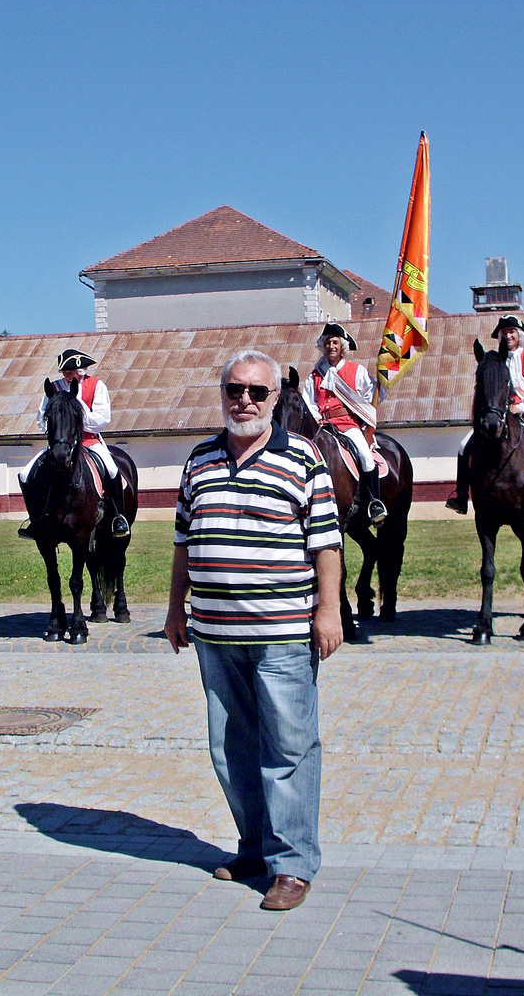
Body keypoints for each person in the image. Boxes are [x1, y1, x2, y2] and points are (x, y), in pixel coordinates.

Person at [164, 349, 343, 912]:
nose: (244, 400)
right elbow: (182, 542)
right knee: (230, 748)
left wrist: (329, 611)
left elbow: (327, 545)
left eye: (256, 392)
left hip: (283, 631)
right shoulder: (198, 461)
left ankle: (292, 865)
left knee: (288, 747)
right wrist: (176, 608)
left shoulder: (305, 459)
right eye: (234, 390)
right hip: (215, 634)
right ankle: (255, 848)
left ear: (274, 398)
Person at [446, 314, 524, 514]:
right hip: (499, 417)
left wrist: (520, 407)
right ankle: (461, 496)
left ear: (519, 335)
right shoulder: (494, 360)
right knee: (464, 446)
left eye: (511, 332)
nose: (508, 336)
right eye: (504, 333)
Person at [17, 347, 130, 539]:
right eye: (65, 373)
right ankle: (34, 519)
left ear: (81, 370)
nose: (67, 376)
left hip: (89, 440)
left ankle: (119, 516)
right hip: (61, 442)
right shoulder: (53, 388)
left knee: (112, 470)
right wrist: (56, 425)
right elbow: (40, 419)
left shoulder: (96, 386)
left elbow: (103, 419)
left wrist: (77, 416)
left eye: (71, 372)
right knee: (25, 474)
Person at [300, 322, 386, 524]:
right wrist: (317, 418)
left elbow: (371, 395)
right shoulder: (315, 376)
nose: (331, 346)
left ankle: (374, 502)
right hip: (323, 427)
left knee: (365, 456)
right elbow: (308, 403)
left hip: (348, 426)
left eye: (335, 342)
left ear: (342, 346)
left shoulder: (357, 371)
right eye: (328, 342)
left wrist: (381, 384)